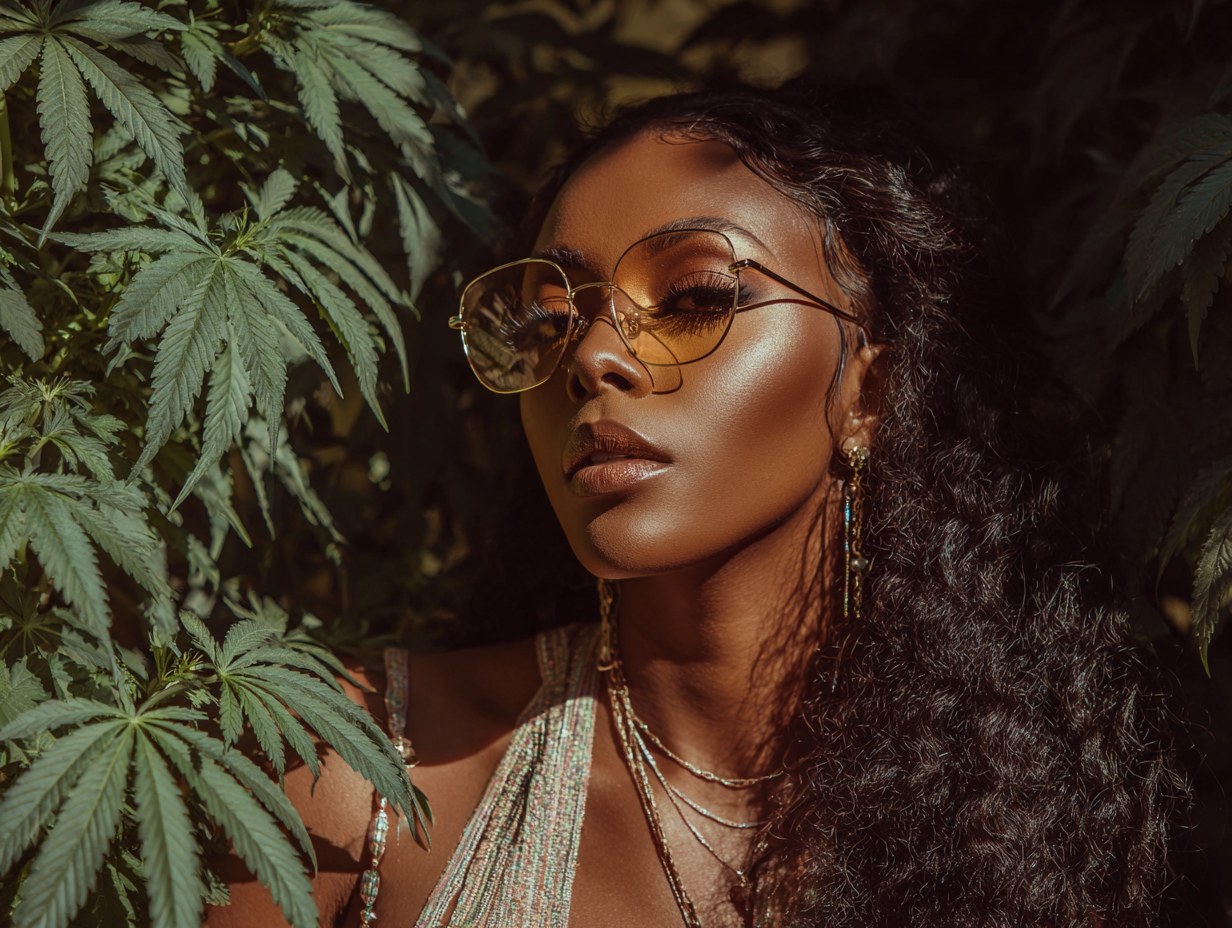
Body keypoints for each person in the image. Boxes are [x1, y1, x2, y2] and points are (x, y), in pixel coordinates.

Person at [206, 81, 1185, 928]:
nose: (591, 356)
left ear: (872, 391)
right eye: (551, 314)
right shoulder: (354, 764)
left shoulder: (1017, 850)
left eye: (695, 298)